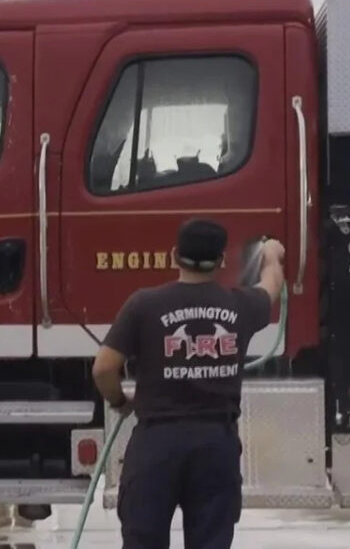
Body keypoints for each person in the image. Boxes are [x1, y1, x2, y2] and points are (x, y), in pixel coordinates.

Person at [92, 218, 285, 549]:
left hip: (156, 444)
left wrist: (119, 402)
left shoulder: (144, 304)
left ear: (173, 255)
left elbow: (104, 368)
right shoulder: (240, 305)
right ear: (222, 261)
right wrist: (271, 254)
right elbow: (272, 285)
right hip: (216, 444)